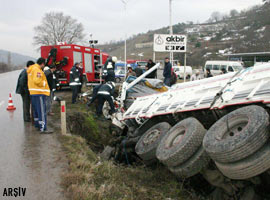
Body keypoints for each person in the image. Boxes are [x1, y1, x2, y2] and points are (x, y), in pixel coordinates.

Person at [27, 57, 51, 133]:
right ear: (42, 64)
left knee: (36, 111)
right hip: (39, 93)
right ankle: (43, 128)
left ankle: (37, 125)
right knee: (41, 111)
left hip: (33, 93)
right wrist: (44, 83)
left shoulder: (32, 69)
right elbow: (37, 81)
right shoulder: (37, 70)